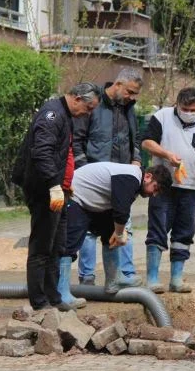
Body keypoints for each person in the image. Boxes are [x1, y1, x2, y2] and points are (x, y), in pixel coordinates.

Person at [12, 82, 101, 311]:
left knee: (57, 246)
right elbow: (42, 151)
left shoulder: (66, 116)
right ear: (77, 98)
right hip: (44, 190)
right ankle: (39, 303)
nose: (87, 114)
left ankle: (54, 298)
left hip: (58, 191)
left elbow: (64, 153)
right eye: (88, 108)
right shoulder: (52, 114)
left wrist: (64, 186)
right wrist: (53, 185)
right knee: (42, 247)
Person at [70, 69, 144, 300]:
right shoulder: (94, 104)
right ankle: (87, 278)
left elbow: (136, 138)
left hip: (120, 179)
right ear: (118, 84)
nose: (132, 97)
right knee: (89, 232)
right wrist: (83, 170)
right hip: (94, 178)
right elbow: (78, 140)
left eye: (135, 94)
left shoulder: (128, 108)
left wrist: (136, 160)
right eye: (130, 91)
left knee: (120, 228)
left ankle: (120, 275)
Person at [141, 87, 195, 293]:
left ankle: (176, 279)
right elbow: (147, 142)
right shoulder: (162, 117)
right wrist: (166, 154)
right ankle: (152, 279)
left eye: (192, 109)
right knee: (158, 229)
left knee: (184, 233)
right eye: (184, 108)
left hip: (190, 187)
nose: (188, 112)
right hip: (163, 185)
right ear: (177, 104)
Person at [63, 163, 172, 294]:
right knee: (69, 244)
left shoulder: (134, 182)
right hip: (76, 196)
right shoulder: (131, 177)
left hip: (93, 201)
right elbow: (121, 212)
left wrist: (119, 231)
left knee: (110, 233)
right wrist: (120, 234)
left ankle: (113, 280)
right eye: (155, 188)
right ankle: (61, 291)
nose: (153, 195)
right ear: (148, 177)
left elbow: (118, 211)